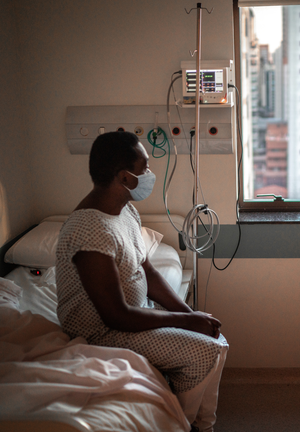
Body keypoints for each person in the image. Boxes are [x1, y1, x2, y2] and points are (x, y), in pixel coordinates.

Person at [55, 131, 228, 432]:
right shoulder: (90, 230)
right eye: (144, 168)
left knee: (218, 340)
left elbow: (148, 271)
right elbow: (116, 316)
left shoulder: (125, 211)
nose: (150, 175)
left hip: (134, 314)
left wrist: (190, 315)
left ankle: (205, 424)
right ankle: (181, 424)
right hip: (103, 332)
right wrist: (187, 324)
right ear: (125, 177)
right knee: (205, 351)